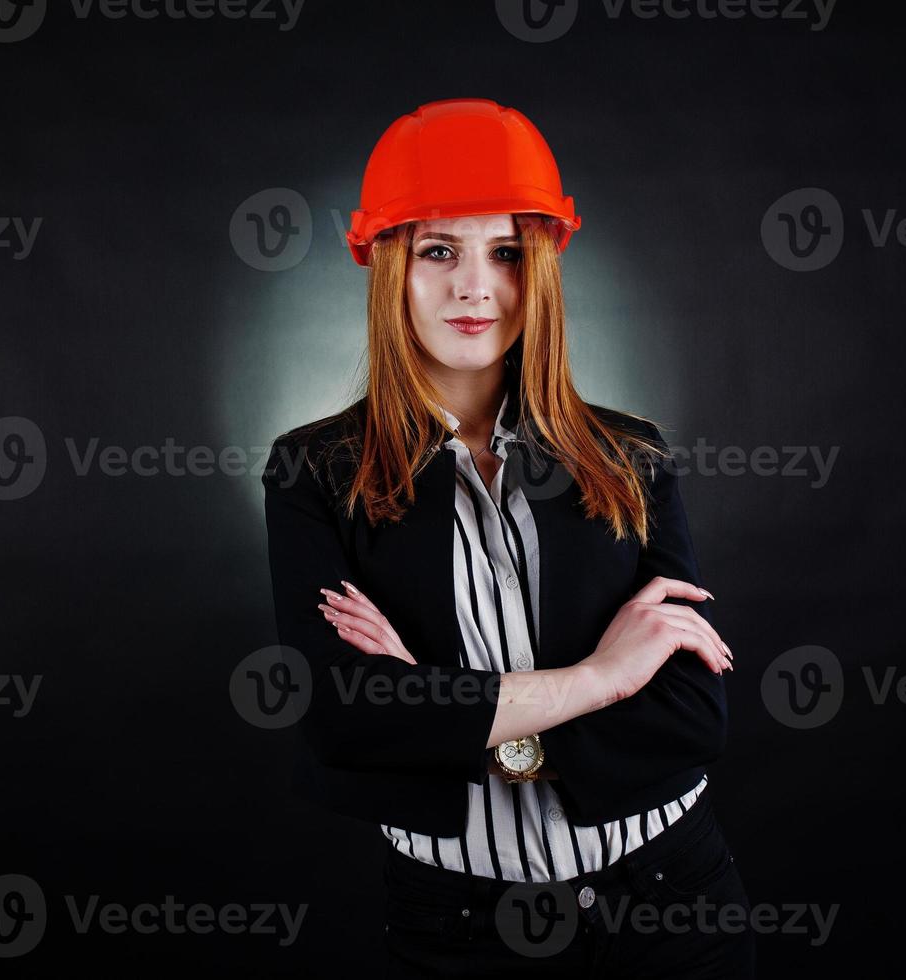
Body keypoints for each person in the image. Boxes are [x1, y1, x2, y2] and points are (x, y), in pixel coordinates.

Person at [260, 98, 755, 977]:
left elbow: (689, 716)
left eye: (506, 252)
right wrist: (601, 679)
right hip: (454, 928)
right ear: (386, 267)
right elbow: (345, 720)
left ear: (543, 268)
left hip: (671, 907)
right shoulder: (314, 471)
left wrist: (440, 709)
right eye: (438, 251)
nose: (474, 287)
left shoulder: (629, 455)